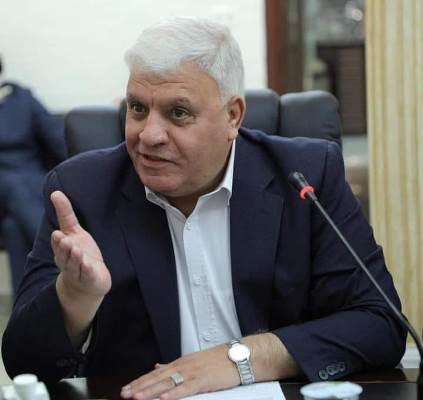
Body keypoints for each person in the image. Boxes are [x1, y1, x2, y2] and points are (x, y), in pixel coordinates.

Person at [2, 17, 406, 400]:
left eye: (178, 113)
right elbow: (23, 363)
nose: (149, 135)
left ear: (233, 116)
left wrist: (240, 359)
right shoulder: (81, 191)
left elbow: (380, 324)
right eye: (138, 108)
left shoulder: (305, 176)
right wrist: (74, 299)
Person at [0, 56, 65, 296]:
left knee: (14, 228)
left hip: (28, 184)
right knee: (14, 184)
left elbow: (57, 140)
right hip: (8, 184)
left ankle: (27, 305)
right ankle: (58, 249)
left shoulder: (22, 98)